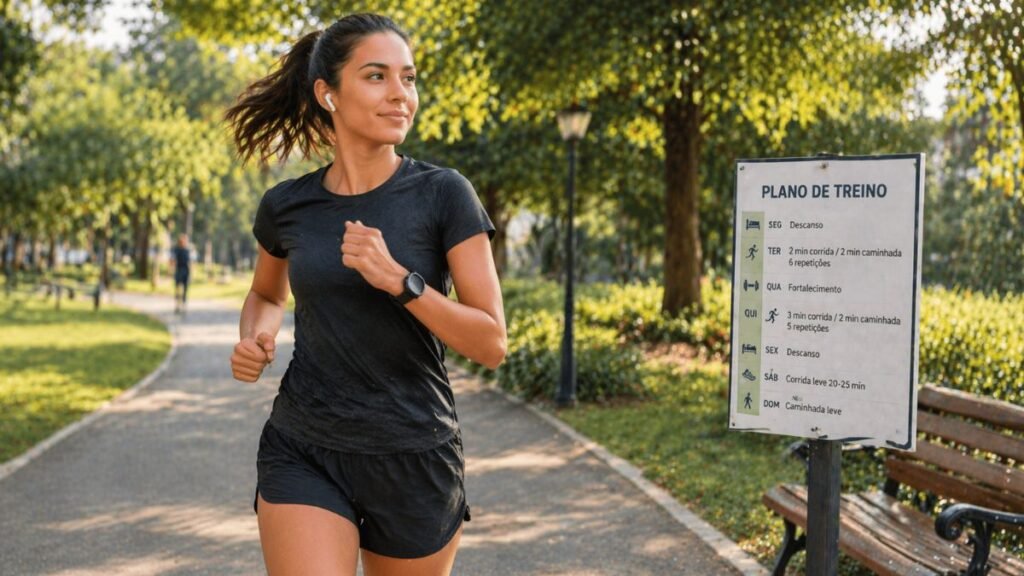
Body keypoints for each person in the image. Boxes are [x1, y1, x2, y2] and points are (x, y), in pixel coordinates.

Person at [225, 13, 506, 576]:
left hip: (413, 451)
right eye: (377, 76)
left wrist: (401, 282)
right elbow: (265, 293)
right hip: (303, 443)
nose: (400, 94)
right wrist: (256, 334)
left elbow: (491, 343)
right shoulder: (287, 206)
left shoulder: (445, 195)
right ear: (327, 93)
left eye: (409, 77)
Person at [170, 233, 191, 314]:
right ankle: (177, 305)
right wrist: (171, 269)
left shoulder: (187, 250)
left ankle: (183, 305)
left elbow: (189, 262)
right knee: (178, 289)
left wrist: (191, 272)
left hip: (186, 271)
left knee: (185, 289)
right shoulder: (176, 250)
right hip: (179, 270)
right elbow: (173, 260)